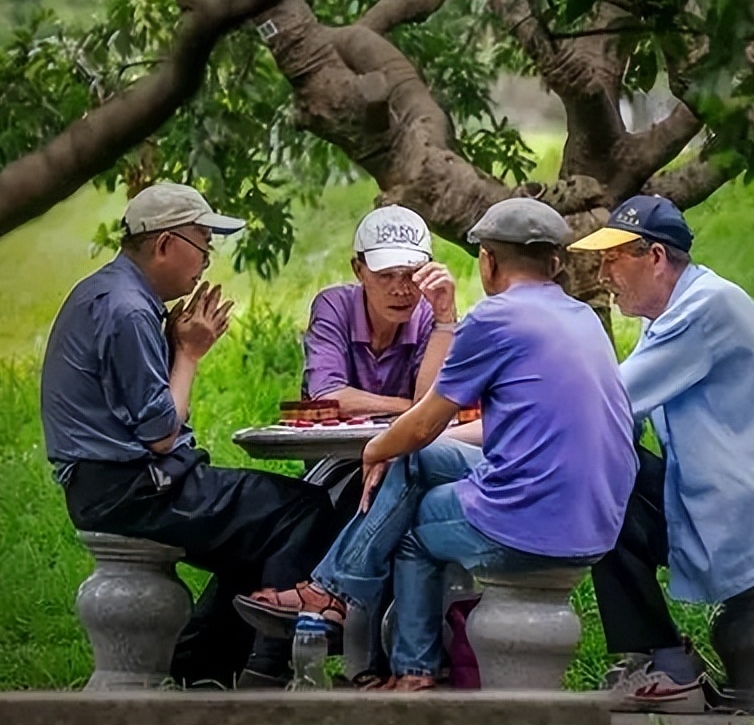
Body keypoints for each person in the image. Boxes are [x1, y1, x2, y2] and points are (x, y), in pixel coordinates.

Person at [236, 198, 638, 690]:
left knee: (412, 525)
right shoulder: (583, 318)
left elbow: (424, 421)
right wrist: (402, 444)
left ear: (486, 261)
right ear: (555, 263)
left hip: (533, 518)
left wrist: (376, 449)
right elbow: (472, 428)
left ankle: (398, 658)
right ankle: (333, 597)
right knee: (415, 461)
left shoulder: (495, 318)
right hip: (603, 517)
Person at [41, 182, 335, 689]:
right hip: (129, 489)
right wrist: (190, 354)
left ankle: (199, 668)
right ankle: (266, 671)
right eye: (202, 245)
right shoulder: (128, 309)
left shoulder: (109, 291)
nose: (206, 262)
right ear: (164, 245)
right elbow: (159, 433)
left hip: (114, 484)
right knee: (302, 510)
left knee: (256, 529)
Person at [569, 195, 754, 712]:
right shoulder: (678, 309)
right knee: (599, 471)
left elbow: (609, 404)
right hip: (724, 495)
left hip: (749, 510)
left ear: (657, 258)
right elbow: (623, 416)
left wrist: (488, 428)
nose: (602, 274)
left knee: (594, 486)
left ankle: (662, 664)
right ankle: (659, 657)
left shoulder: (702, 311)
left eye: (612, 259)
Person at [302, 205, 458, 416]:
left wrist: (445, 321)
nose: (401, 289)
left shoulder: (432, 315)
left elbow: (435, 408)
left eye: (412, 274)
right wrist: (412, 407)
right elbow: (327, 397)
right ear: (358, 271)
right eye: (385, 275)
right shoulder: (334, 307)